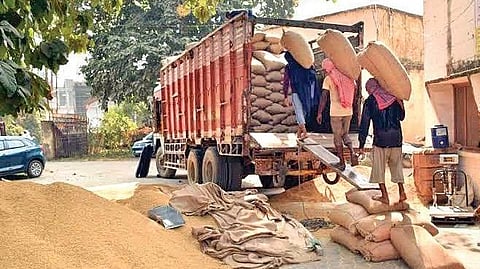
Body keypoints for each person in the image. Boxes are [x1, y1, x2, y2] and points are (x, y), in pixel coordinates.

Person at [358, 78, 406, 205]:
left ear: (370, 88)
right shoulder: (393, 98)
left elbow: (364, 123)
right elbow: (401, 117)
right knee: (397, 167)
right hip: (396, 139)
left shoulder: (370, 101)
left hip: (381, 140)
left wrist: (361, 143)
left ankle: (385, 196)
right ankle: (402, 192)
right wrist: (400, 102)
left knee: (379, 169)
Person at [317, 58, 357, 171]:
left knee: (337, 137)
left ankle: (342, 162)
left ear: (328, 68)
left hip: (335, 113)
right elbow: (355, 89)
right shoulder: (347, 77)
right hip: (348, 111)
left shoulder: (329, 79)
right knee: (345, 134)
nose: (324, 71)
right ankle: (352, 151)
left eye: (325, 69)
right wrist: (350, 104)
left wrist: (319, 112)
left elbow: (324, 97)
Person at [282, 51, 320, 140]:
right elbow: (313, 77)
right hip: (307, 92)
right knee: (303, 112)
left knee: (298, 111)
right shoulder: (304, 64)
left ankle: (305, 132)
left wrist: (285, 96)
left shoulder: (289, 67)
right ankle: (299, 134)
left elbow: (286, 82)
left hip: (296, 92)